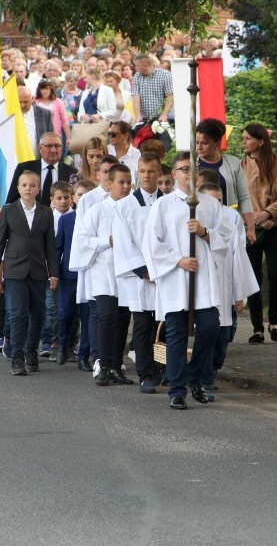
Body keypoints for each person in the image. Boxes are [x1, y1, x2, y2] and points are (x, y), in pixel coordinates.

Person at [142, 152, 227, 410]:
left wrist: (203, 232)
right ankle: (177, 390)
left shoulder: (210, 206)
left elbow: (225, 240)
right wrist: (178, 260)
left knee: (210, 326)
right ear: (175, 174)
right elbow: (152, 243)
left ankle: (197, 376)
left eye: (192, 169)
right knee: (177, 332)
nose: (187, 174)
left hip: (203, 278)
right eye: (182, 169)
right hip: (176, 278)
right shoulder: (163, 205)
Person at [0, 171, 59, 375]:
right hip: (15, 270)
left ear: (38, 189)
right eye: (24, 185)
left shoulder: (46, 213)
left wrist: (53, 273)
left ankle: (30, 352)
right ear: (18, 188)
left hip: (38, 271)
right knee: (18, 315)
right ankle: (17, 357)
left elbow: (50, 246)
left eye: (32, 185)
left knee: (38, 315)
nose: (28, 188)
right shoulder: (9, 210)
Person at [73, 163, 134, 386]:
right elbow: (82, 239)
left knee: (122, 319)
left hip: (127, 273)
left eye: (129, 182)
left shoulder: (133, 210)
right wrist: (105, 241)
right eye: (121, 182)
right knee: (106, 316)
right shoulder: (97, 210)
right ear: (109, 184)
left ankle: (117, 365)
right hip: (104, 272)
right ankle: (103, 364)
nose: (126, 187)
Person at [196, 180, 259, 400]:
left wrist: (238, 294)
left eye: (220, 201)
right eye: (212, 201)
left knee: (222, 337)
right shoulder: (195, 217)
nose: (217, 206)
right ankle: (204, 378)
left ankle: (212, 368)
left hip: (224, 284)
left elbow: (238, 257)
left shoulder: (231, 219)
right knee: (205, 334)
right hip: (203, 284)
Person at [113, 153, 164, 393]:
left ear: (159, 174)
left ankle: (162, 369)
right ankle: (145, 374)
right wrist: (144, 270)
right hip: (141, 277)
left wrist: (164, 268)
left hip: (166, 274)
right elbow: (124, 243)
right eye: (142, 171)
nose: (146, 176)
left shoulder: (170, 203)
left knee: (163, 326)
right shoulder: (125, 206)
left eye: (151, 171)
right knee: (143, 325)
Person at [241, 123, 277, 344]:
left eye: (247, 139)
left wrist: (269, 214)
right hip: (251, 226)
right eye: (242, 138)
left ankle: (274, 322)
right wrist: (256, 218)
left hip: (276, 225)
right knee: (253, 277)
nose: (243, 142)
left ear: (260, 141)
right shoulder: (241, 165)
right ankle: (257, 327)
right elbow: (240, 197)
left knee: (275, 274)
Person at [195, 118, 255, 242]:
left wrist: (250, 228)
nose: (199, 147)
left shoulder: (233, 163)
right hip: (199, 225)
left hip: (227, 223)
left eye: (204, 143)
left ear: (216, 144)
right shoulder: (190, 165)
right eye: (197, 143)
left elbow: (243, 196)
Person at [58, 179, 96, 371]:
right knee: (65, 314)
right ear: (74, 198)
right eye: (80, 195)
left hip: (90, 274)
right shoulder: (66, 220)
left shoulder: (96, 218)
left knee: (88, 316)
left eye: (88, 195)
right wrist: (54, 274)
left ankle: (84, 355)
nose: (84, 199)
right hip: (69, 275)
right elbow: (58, 247)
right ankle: (63, 345)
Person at [42, 181, 73, 361]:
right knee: (53, 308)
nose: (63, 201)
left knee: (71, 310)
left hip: (69, 270)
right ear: (52, 200)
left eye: (66, 197)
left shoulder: (75, 217)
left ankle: (69, 343)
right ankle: (53, 342)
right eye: (59, 198)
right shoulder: (48, 217)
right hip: (52, 269)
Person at [6, 132, 77, 206]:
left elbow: (75, 202)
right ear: (40, 148)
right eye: (49, 146)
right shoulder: (24, 168)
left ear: (62, 148)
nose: (53, 150)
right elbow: (12, 200)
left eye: (57, 146)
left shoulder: (72, 173)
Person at [131, 54, 173, 123]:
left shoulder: (165, 75)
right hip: (144, 119)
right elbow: (135, 96)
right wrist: (138, 115)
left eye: (136, 66)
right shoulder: (137, 76)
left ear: (144, 66)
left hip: (161, 118)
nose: (135, 68)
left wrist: (164, 114)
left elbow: (170, 96)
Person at [17, 85, 54, 159]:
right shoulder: (9, 115)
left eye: (25, 102)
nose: (22, 105)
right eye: (19, 102)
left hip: (38, 161)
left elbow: (51, 138)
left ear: (32, 99)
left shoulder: (44, 114)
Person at [34, 79, 71, 145]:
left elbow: (64, 120)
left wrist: (68, 137)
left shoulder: (58, 102)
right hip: (39, 134)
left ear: (51, 90)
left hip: (55, 134)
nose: (45, 91)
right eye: (42, 89)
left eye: (47, 89)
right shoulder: (35, 102)